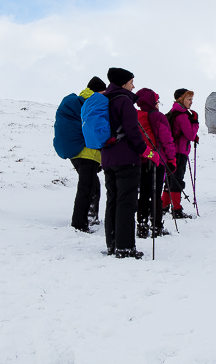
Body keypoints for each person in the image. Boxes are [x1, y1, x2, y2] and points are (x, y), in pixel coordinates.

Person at [97, 68, 160, 259]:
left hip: (108, 158)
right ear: (123, 83)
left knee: (113, 201)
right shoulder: (124, 101)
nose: (134, 85)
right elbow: (133, 132)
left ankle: (113, 244)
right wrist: (147, 152)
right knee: (126, 201)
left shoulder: (105, 100)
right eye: (132, 81)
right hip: (126, 159)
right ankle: (125, 247)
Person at [53, 76, 106, 232]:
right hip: (87, 152)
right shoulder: (93, 102)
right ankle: (79, 223)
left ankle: (91, 216)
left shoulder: (77, 101)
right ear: (100, 91)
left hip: (74, 152)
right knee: (86, 187)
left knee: (92, 184)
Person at [134, 88, 176, 238]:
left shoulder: (137, 116)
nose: (158, 103)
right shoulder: (158, 116)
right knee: (156, 193)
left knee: (144, 193)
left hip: (143, 159)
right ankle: (156, 226)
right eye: (156, 100)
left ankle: (142, 225)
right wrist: (171, 159)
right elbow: (166, 139)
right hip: (157, 160)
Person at [164, 88, 199, 219]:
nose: (191, 102)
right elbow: (190, 135)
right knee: (177, 180)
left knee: (170, 179)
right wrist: (195, 122)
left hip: (171, 152)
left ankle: (164, 205)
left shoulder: (172, 113)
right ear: (181, 99)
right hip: (180, 152)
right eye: (189, 99)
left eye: (191, 99)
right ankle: (176, 209)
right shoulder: (183, 116)